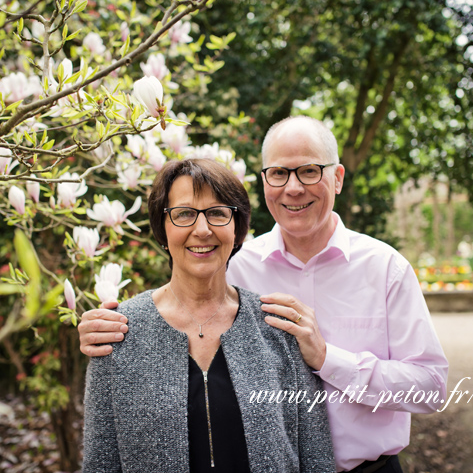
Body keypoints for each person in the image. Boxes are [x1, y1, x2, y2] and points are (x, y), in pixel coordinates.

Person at [80, 117, 449, 473]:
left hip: (369, 468)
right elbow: (186, 295)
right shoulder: (239, 266)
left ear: (336, 178)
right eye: (279, 173)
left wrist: (327, 358)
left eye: (308, 171)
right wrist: (107, 327)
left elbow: (431, 388)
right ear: (264, 181)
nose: (293, 188)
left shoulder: (384, 268)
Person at [82, 158, 334, 473]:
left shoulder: (278, 327)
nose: (202, 230)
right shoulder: (118, 333)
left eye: (217, 213)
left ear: (237, 227)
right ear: (163, 228)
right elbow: (100, 463)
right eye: (184, 214)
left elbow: (316, 456)